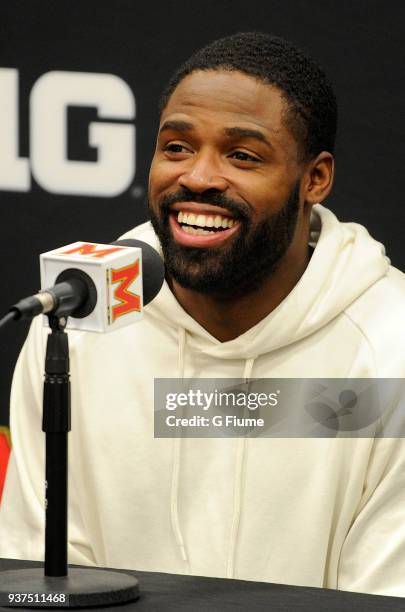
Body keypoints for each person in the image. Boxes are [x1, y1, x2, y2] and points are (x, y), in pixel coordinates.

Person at [1, 32, 404, 597]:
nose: (197, 176)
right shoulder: (78, 324)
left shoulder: (391, 346)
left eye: (242, 155)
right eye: (176, 147)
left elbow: (383, 598)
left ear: (315, 179)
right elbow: (37, 581)